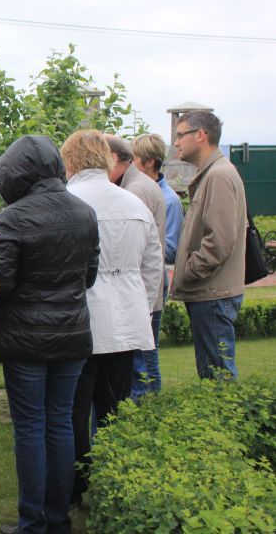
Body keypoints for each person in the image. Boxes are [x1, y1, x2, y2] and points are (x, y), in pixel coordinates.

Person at [0, 135, 99, 534]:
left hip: (26, 342)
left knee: (32, 427)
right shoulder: (84, 213)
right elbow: (88, 277)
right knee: (60, 423)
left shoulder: (15, 217)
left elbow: (1, 283)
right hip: (72, 336)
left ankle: (32, 523)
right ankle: (58, 519)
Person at [60, 130, 162, 507]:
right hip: (126, 320)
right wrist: (141, 308)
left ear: (70, 162)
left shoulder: (67, 201)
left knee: (74, 408)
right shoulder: (135, 204)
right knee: (114, 408)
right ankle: (114, 482)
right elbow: (152, 269)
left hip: (80, 320)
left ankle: (76, 485)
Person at [170, 111, 246, 379]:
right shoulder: (213, 173)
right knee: (215, 376)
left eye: (180, 135)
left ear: (200, 135)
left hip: (213, 293)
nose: (176, 142)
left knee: (218, 381)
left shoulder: (219, 175)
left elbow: (220, 242)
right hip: (210, 291)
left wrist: (189, 271)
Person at [105, 134, 167, 399]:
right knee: (144, 360)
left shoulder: (135, 190)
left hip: (139, 290)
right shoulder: (138, 184)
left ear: (115, 158)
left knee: (141, 366)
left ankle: (145, 416)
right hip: (143, 287)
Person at [132, 133, 185, 394]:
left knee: (148, 346)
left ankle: (152, 400)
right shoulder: (140, 191)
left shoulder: (169, 201)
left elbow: (171, 248)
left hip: (153, 277)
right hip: (142, 275)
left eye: (134, 159)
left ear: (149, 162)